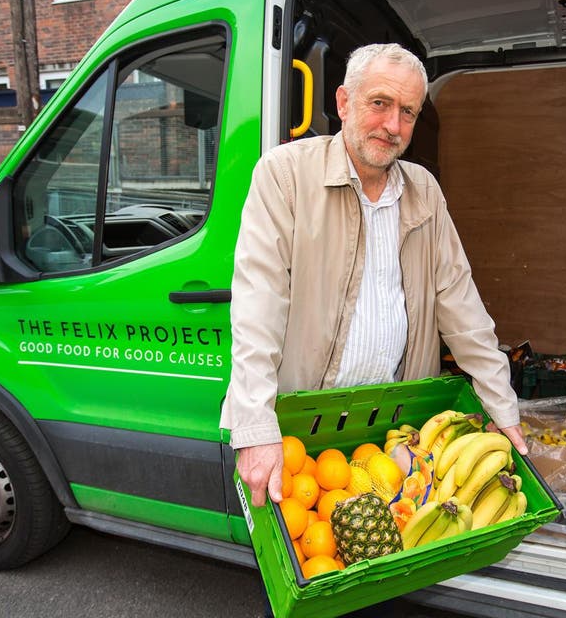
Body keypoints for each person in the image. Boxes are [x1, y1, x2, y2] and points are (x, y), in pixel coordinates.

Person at [220, 43, 526, 509]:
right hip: (304, 433)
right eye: (379, 103)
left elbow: (461, 306)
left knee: (390, 564)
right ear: (344, 102)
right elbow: (257, 308)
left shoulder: (424, 191)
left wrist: (502, 407)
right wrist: (256, 427)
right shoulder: (285, 175)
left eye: (408, 112)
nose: (393, 126)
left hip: (394, 435)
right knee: (310, 564)